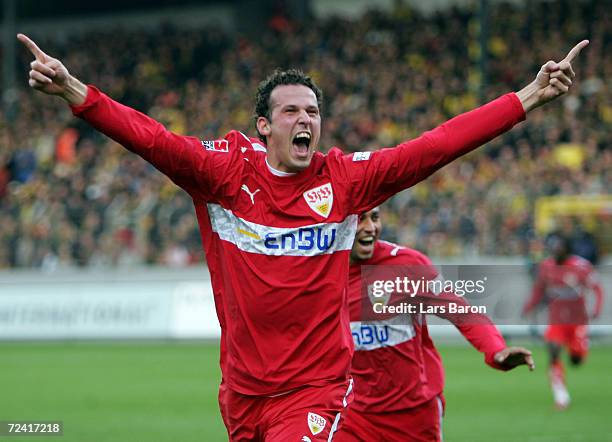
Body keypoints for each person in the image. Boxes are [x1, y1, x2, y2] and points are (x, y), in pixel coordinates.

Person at [18, 32, 586, 440]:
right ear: (264, 125)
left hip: (316, 389)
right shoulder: (223, 175)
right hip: (241, 393)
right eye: (291, 112)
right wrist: (77, 93)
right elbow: (153, 140)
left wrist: (528, 97)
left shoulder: (346, 181)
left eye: (313, 111)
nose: (306, 121)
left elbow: (436, 146)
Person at [334, 208, 535, 441]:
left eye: (375, 218)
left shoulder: (407, 265)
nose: (370, 227)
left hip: (413, 413)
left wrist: (496, 349)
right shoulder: (319, 272)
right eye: (361, 219)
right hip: (353, 415)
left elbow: (461, 311)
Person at [523, 233, 603, 410]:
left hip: (578, 322)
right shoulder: (546, 267)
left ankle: (580, 351)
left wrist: (596, 309)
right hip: (556, 322)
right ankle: (561, 397)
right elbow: (539, 290)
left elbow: (597, 289)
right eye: (553, 248)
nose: (555, 251)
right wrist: (529, 306)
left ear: (567, 248)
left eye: (559, 247)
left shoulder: (581, 266)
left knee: (576, 360)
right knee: (553, 352)